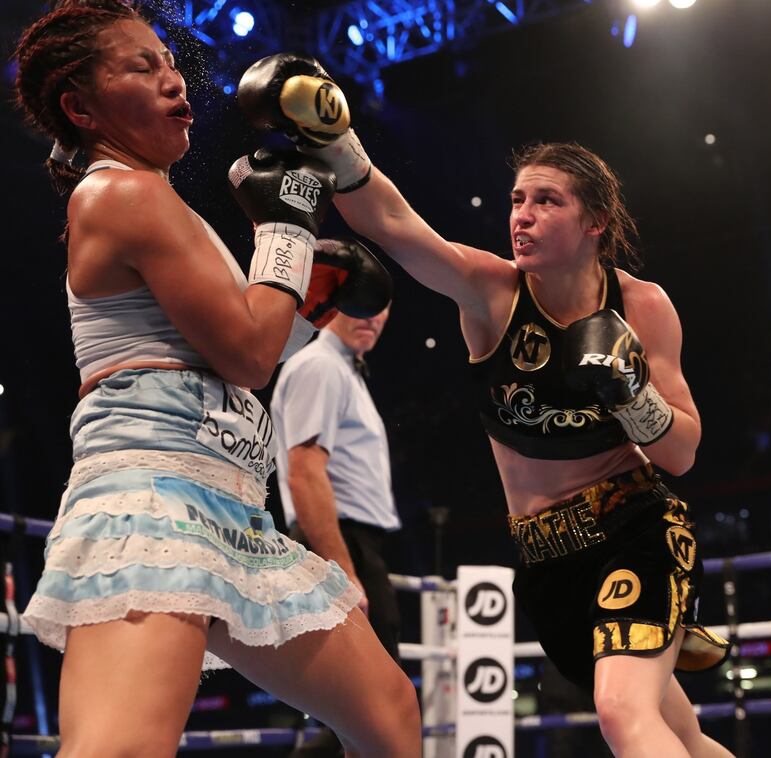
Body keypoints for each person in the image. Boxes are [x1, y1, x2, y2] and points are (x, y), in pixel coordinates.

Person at [234, 53, 734, 758]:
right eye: (517, 200)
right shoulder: (491, 293)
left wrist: (633, 392)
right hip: (545, 560)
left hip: (635, 531)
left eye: (547, 201)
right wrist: (335, 140)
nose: (522, 217)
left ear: (595, 220)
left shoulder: (642, 306)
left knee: (623, 713)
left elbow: (681, 452)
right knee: (679, 732)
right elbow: (396, 224)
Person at [12, 5, 420, 757]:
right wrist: (287, 230)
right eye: (141, 67)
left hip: (229, 504)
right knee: (121, 749)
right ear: (81, 108)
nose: (173, 80)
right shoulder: (120, 194)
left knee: (389, 713)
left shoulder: (161, 203)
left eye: (169, 63)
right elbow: (249, 355)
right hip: (153, 498)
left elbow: (236, 345)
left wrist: (301, 283)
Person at [271, 304, 401, 757]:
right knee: (376, 712)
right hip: (339, 543)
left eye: (381, 307)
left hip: (350, 543)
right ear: (331, 303)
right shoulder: (320, 366)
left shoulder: (343, 370)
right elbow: (305, 473)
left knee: (364, 716)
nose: (372, 316)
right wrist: (342, 570)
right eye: (360, 303)